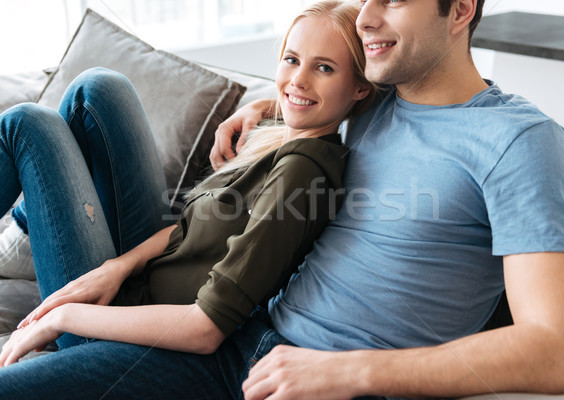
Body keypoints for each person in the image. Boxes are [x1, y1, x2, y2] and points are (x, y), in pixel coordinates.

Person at [212, 0, 564, 399]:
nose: (364, 19)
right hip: (247, 337)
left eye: (391, 1)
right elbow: (313, 84)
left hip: (340, 382)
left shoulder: (521, 141)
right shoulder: (372, 101)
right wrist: (266, 107)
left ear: (461, 10)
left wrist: (348, 371)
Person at [0, 1, 374, 397]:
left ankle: (23, 234)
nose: (298, 80)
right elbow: (185, 231)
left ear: (360, 87)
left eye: (324, 68)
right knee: (97, 89)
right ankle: (28, 230)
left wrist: (66, 316)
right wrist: (115, 266)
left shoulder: (302, 171)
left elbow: (206, 328)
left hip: (127, 329)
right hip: (137, 280)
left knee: (26, 124)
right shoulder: (280, 136)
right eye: (291, 59)